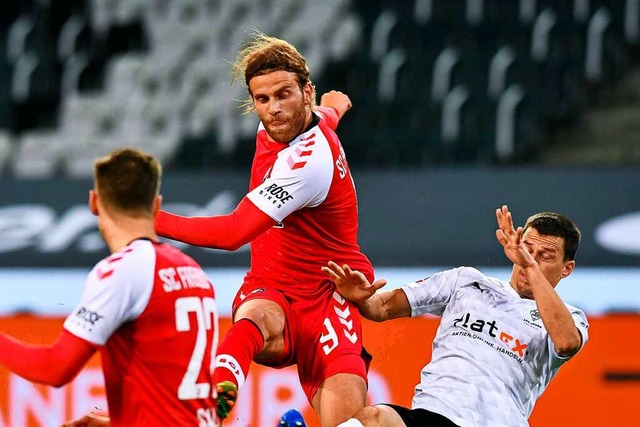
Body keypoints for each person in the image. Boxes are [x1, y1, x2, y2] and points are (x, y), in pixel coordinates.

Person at [154, 31, 374, 427]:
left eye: (284, 94)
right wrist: (333, 109)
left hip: (329, 294)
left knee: (347, 423)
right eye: (262, 99)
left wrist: (150, 220)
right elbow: (323, 119)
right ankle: (215, 399)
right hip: (273, 286)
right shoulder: (288, 123)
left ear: (306, 91)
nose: (273, 109)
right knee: (253, 319)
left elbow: (233, 233)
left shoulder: (308, 162)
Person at [0, 148, 220, 427]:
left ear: (94, 202)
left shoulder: (122, 269)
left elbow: (56, 369)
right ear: (156, 205)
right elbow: (173, 395)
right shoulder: (193, 271)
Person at [320, 205, 588, 427]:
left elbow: (565, 343)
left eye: (546, 256)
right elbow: (382, 307)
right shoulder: (466, 281)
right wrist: (360, 295)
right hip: (433, 414)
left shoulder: (571, 318)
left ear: (567, 269)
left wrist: (530, 265)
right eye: (527, 248)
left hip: (497, 422)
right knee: (371, 419)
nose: (531, 258)